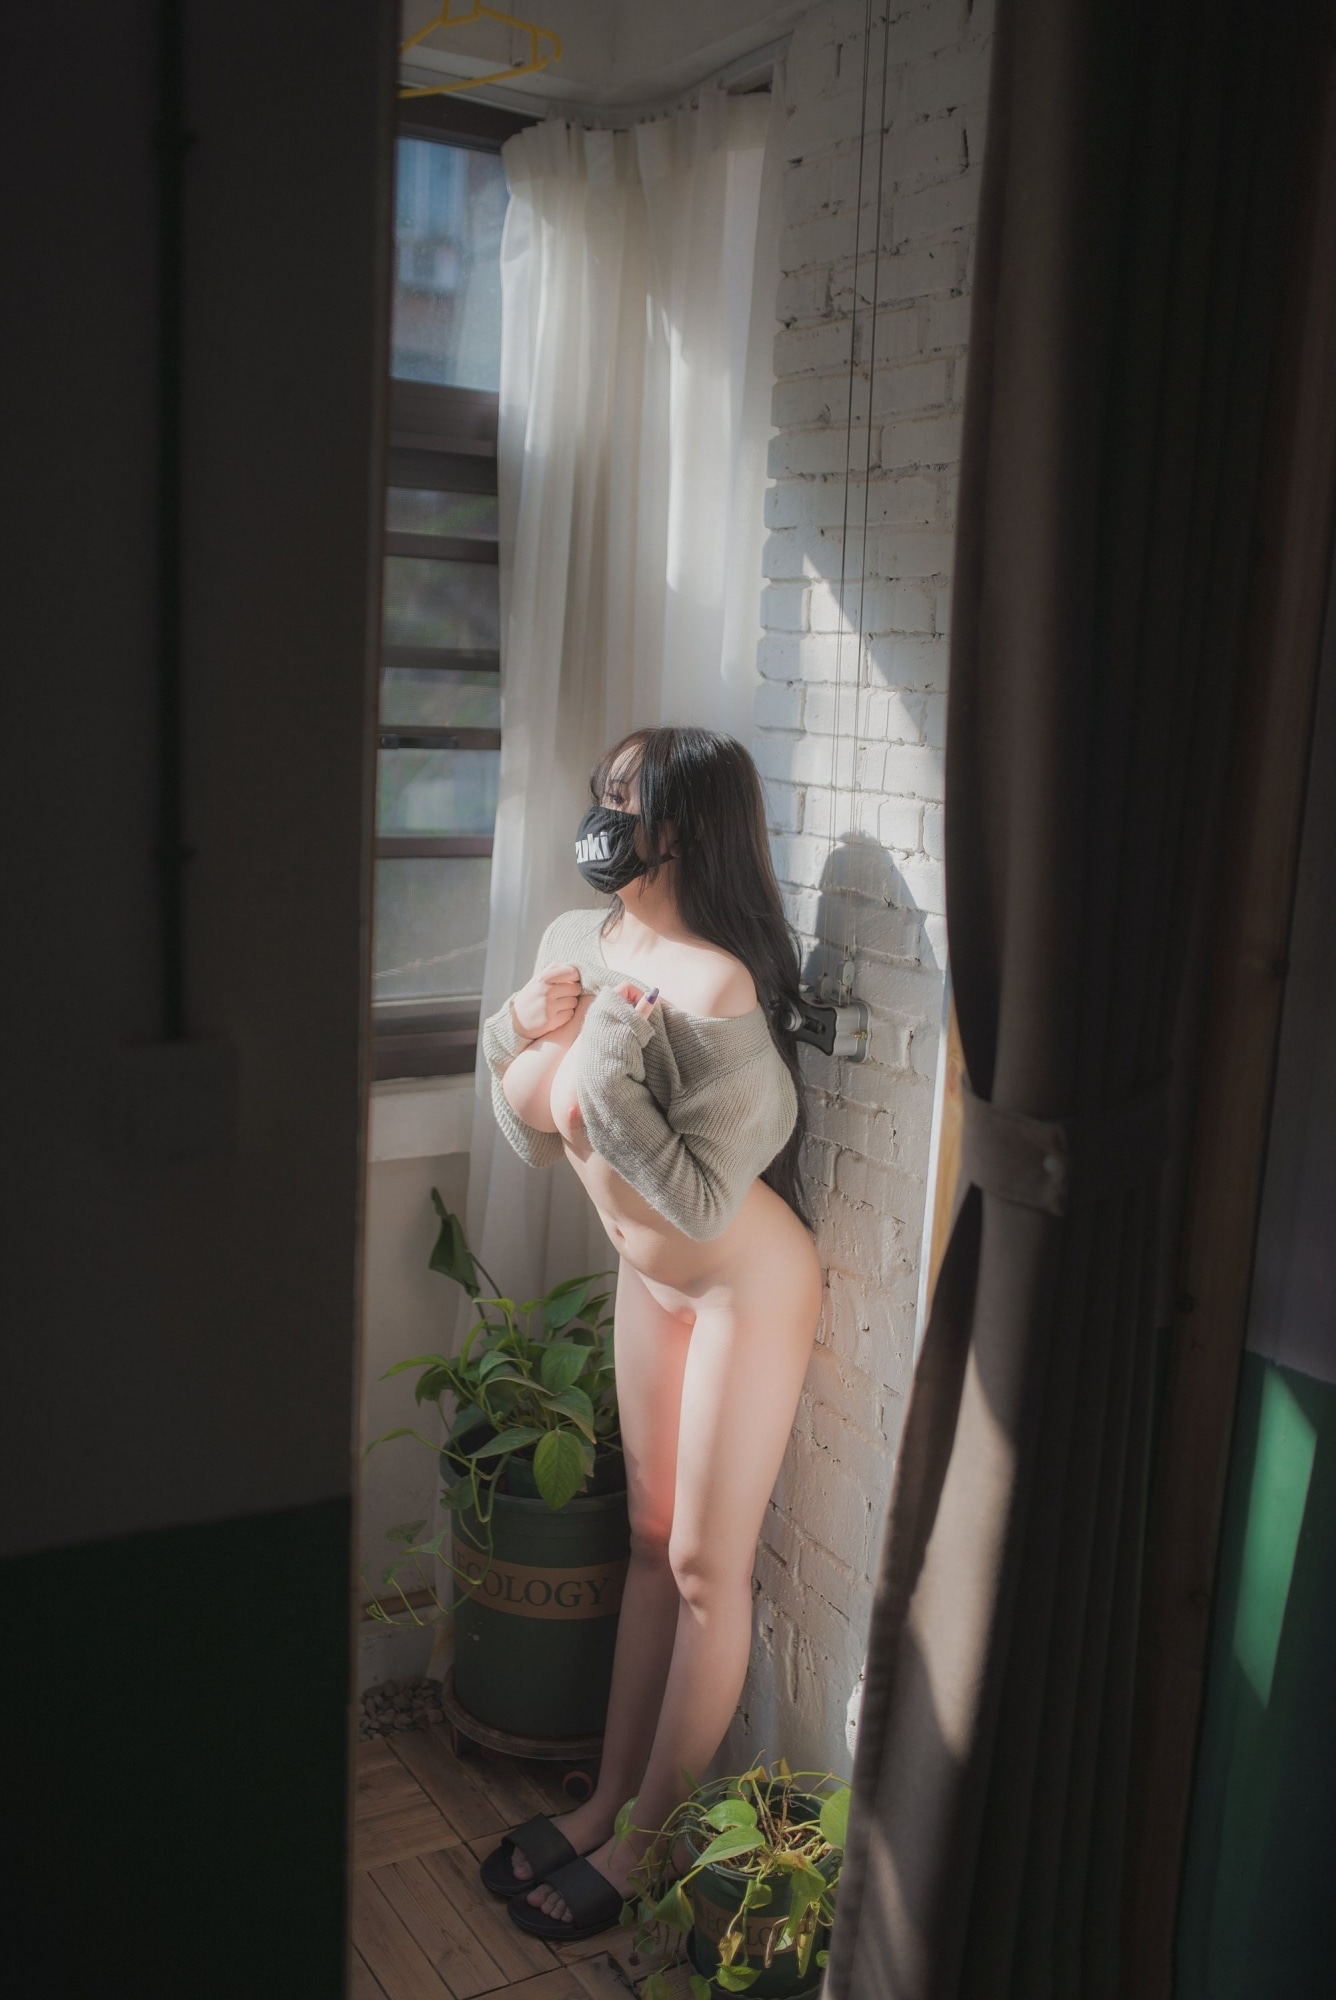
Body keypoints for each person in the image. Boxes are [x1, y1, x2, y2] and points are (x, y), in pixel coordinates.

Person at [475, 725, 822, 1941]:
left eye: (630, 796)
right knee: (646, 1539)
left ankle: (646, 1839)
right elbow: (526, 1124)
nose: (606, 814)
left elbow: (701, 1199)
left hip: (741, 1284)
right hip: (649, 1278)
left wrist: (607, 1066)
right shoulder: (577, 942)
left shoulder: (718, 987)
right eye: (603, 791)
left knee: (704, 1569)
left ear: (685, 822)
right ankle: (605, 1800)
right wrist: (519, 1023)